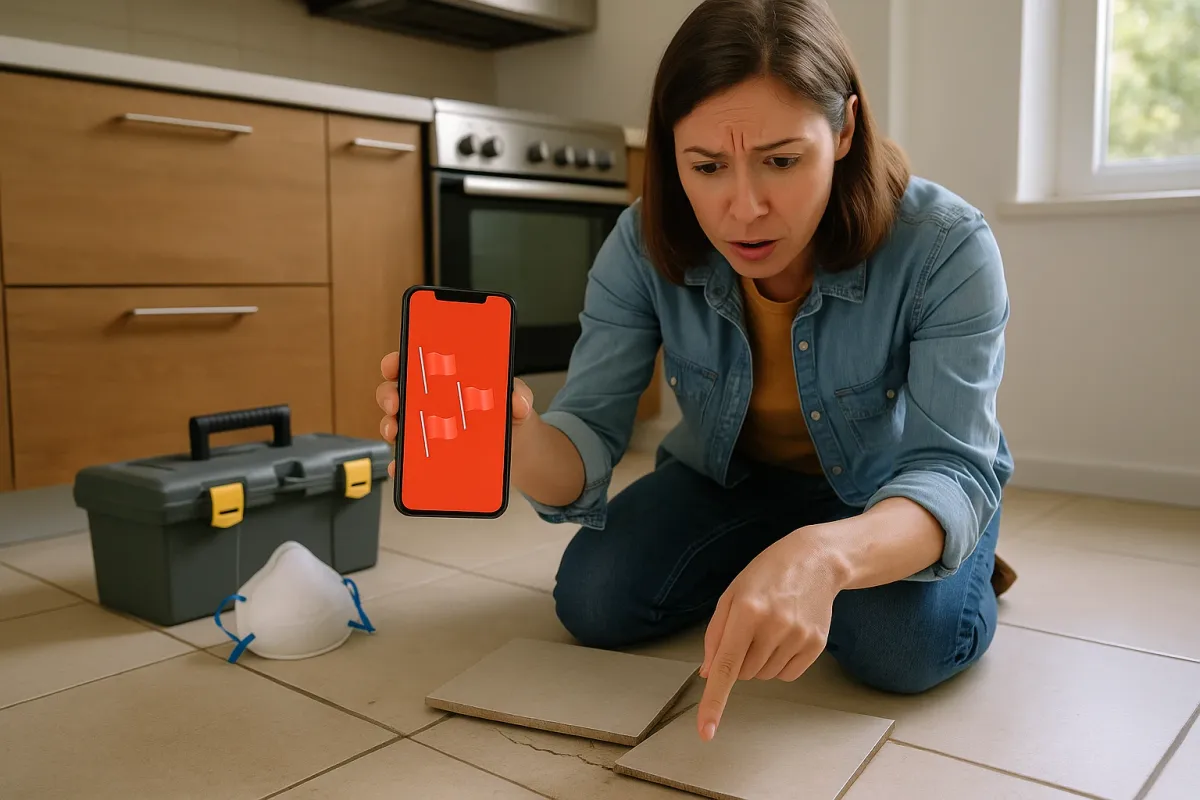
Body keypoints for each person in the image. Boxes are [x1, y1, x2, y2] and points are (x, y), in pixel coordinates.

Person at [377, 0, 1017, 743]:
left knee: (896, 646)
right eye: (707, 167)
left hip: (893, 491)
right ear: (670, 148)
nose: (743, 208)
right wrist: (509, 436)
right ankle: (774, 558)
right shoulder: (641, 243)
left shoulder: (945, 246)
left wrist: (825, 553)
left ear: (844, 130)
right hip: (730, 479)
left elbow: (950, 467)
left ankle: (944, 557)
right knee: (594, 600)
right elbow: (585, 434)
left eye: (782, 160)